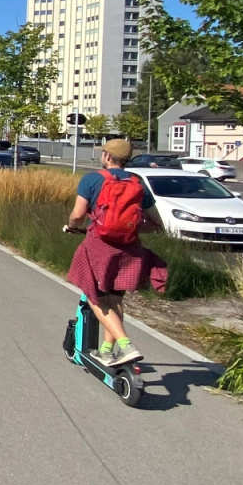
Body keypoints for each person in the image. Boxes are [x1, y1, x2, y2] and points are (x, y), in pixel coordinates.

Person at [62, 138, 168, 366]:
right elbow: (155, 222)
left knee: (95, 297)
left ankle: (126, 345)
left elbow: (78, 214)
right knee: (115, 298)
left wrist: (72, 226)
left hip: (99, 246)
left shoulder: (92, 179)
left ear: (108, 157)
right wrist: (131, 228)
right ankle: (107, 351)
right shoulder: (137, 182)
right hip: (130, 248)